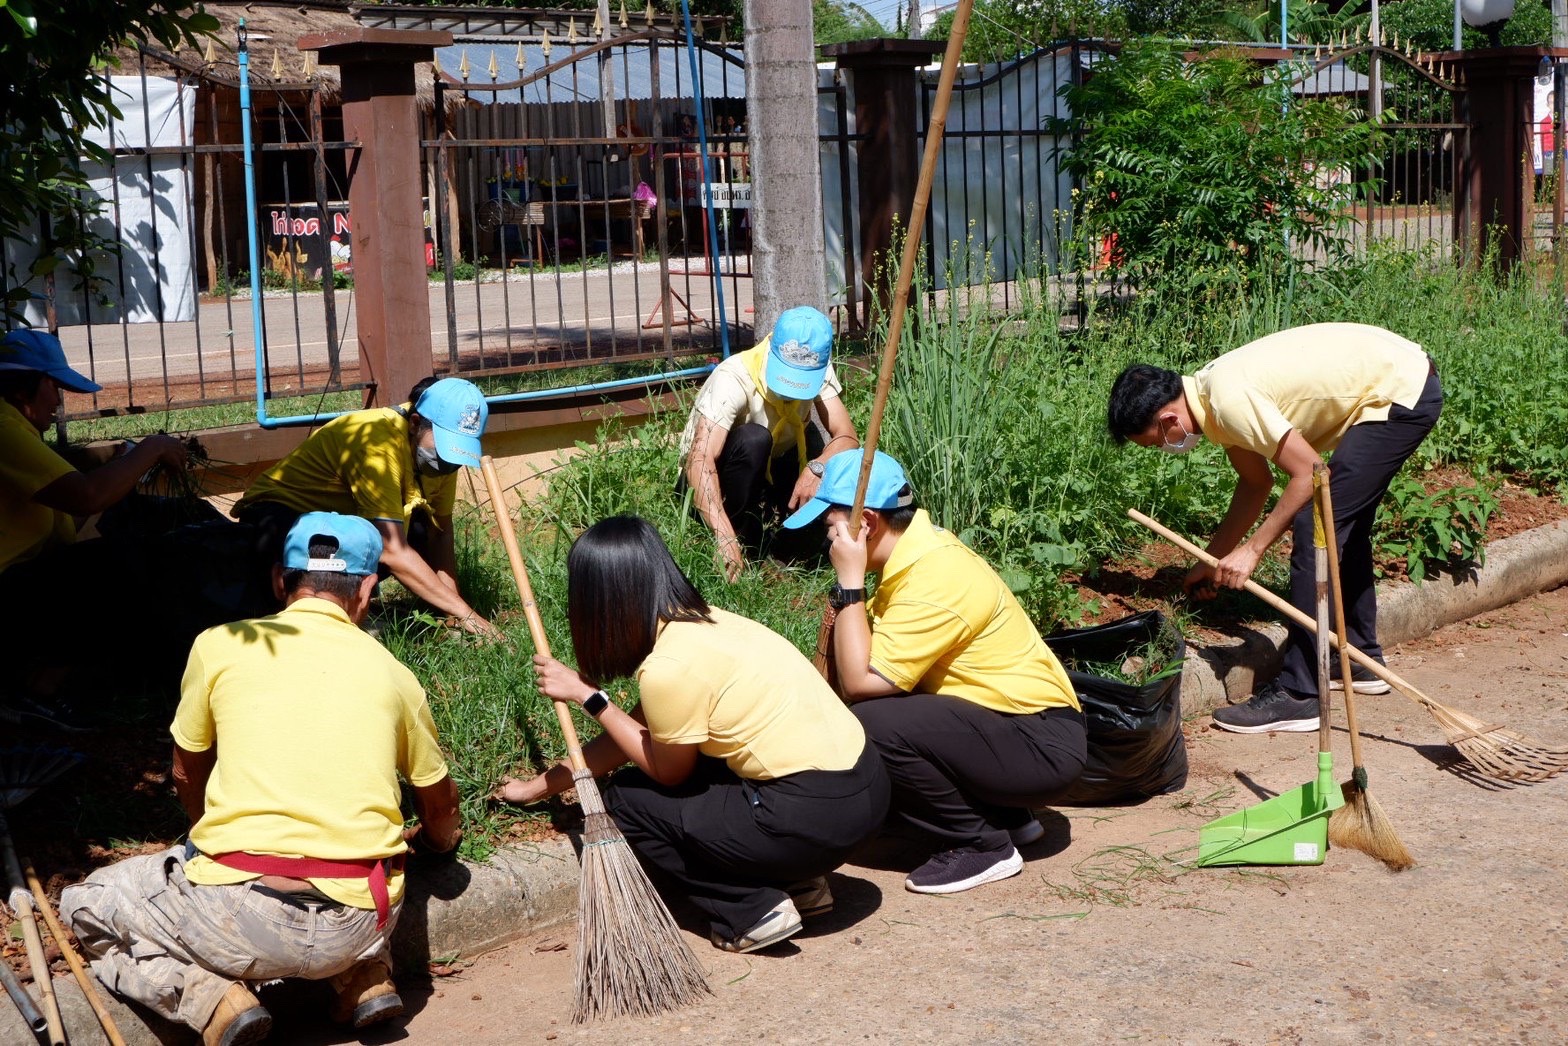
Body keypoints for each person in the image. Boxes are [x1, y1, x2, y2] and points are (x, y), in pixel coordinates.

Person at [62, 511, 461, 1045]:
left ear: (279, 579)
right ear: (367, 589)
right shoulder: (395, 674)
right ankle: (362, 975)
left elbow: (185, 768)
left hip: (236, 917)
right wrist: (439, 842)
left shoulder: (220, 644)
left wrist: (203, 833)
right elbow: (440, 804)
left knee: (86, 901)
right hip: (361, 921)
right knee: (366, 876)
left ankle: (210, 998)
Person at [495, 515, 887, 954]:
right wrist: (537, 788)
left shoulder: (668, 668)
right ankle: (802, 884)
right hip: (866, 792)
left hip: (813, 819)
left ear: (601, 599)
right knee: (709, 767)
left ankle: (751, 910)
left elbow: (668, 773)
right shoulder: (710, 623)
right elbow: (634, 735)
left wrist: (590, 698)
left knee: (628, 800)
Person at [1106, 322, 1442, 733]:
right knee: (1338, 520)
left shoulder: (1229, 401)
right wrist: (1211, 560)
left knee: (1315, 524)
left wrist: (1252, 550)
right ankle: (1355, 658)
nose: (1164, 449)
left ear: (1169, 418)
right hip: (1400, 380)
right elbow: (1255, 485)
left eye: (1156, 442)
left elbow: (1311, 472)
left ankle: (1300, 695)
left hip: (1399, 391)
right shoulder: (1212, 399)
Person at [783, 451, 1087, 896]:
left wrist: (849, 583)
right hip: (1013, 730)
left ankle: (982, 844)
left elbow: (860, 682)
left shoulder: (934, 574)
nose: (827, 541)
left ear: (864, 523)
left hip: (1039, 745)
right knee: (887, 711)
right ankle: (1007, 816)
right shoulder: (913, 556)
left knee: (872, 723)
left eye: (830, 528)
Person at [0, 329, 195, 718]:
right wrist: (152, 448)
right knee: (117, 564)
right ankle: (38, 689)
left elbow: (69, 517)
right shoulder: (4, 430)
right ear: (22, 389)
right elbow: (87, 496)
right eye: (53, 386)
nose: (58, 401)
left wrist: (122, 472)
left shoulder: (19, 430)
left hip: (16, 585)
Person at [234, 375, 500, 638]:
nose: (449, 463)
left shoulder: (444, 459)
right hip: (279, 522)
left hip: (339, 524)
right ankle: (317, 616)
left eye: (458, 452)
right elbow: (391, 548)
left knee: (419, 528)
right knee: (389, 539)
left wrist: (454, 615)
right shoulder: (376, 444)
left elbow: (440, 532)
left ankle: (353, 607)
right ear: (415, 423)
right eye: (445, 448)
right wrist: (469, 616)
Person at [678, 306, 859, 579]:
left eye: (801, 380)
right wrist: (724, 536)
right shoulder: (733, 377)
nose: (792, 390)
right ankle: (739, 538)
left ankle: (784, 536)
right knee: (754, 439)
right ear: (771, 348)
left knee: (821, 446)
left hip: (771, 464)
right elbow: (699, 460)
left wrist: (817, 467)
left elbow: (847, 435)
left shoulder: (817, 365)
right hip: (711, 481)